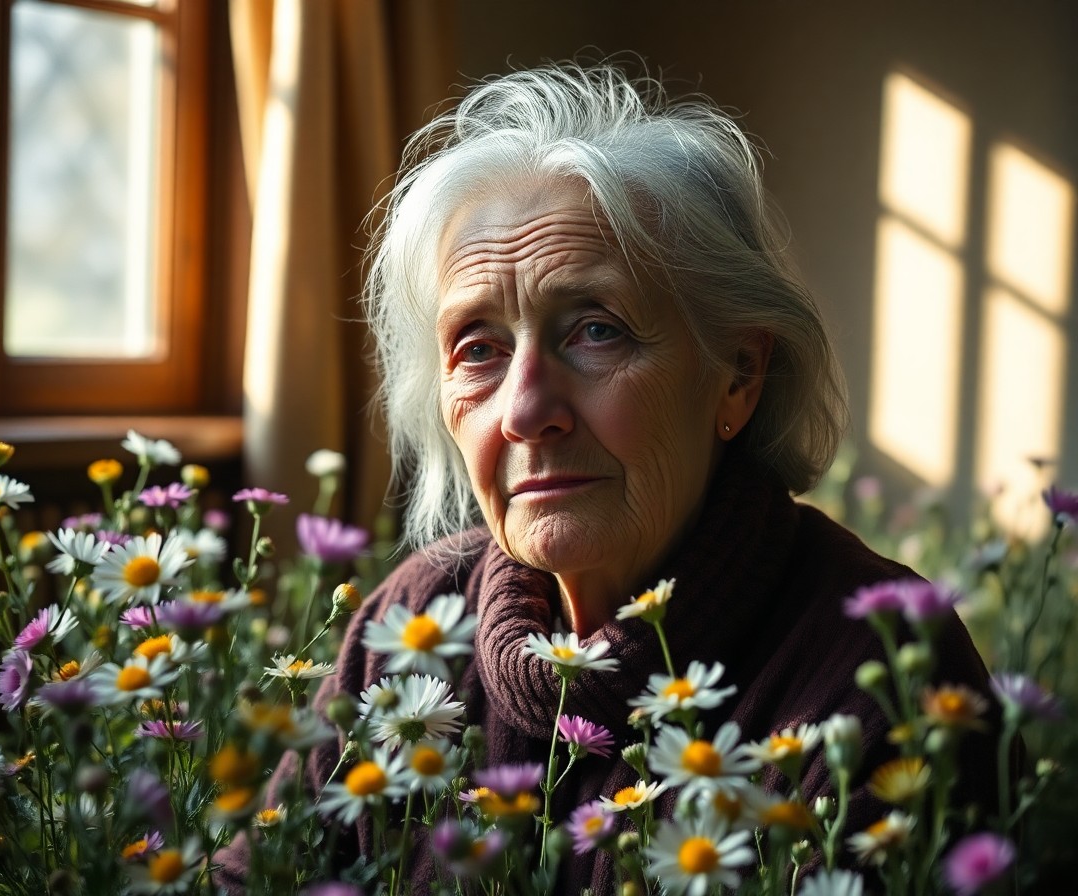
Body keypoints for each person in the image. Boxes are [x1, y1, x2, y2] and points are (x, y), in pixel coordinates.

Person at [216, 61, 997, 894]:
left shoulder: (885, 673)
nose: (524, 409)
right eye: (477, 348)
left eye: (596, 330)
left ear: (737, 373)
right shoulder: (414, 621)